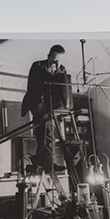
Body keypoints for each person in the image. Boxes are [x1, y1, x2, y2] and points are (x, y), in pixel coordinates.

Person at [21, 44, 68, 178]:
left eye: (59, 61)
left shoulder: (62, 69)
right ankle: (44, 160)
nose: (56, 63)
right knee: (42, 130)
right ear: (48, 56)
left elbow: (62, 90)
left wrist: (59, 108)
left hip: (51, 106)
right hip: (37, 103)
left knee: (50, 134)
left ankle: (45, 160)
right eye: (54, 60)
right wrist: (41, 109)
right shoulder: (37, 66)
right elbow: (33, 88)